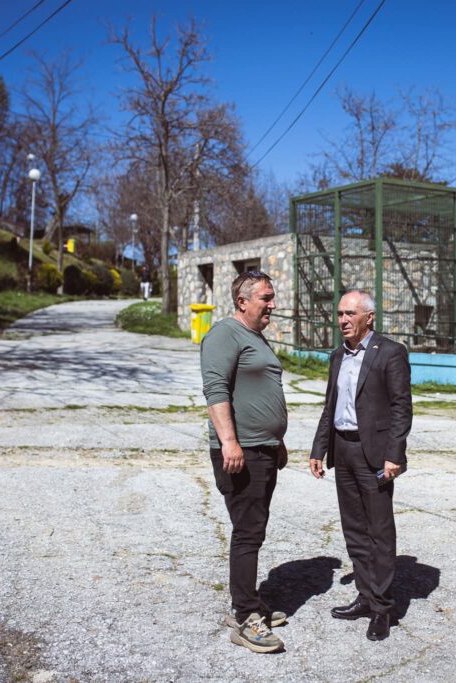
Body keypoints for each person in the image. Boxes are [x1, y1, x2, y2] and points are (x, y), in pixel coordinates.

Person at [309, 290, 413, 641]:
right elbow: (330, 406)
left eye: (350, 313)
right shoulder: (338, 355)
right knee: (354, 529)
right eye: (340, 313)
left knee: (379, 531)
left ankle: (383, 608)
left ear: (369, 317)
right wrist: (319, 449)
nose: (343, 320)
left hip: (376, 455)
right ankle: (366, 596)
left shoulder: (391, 352)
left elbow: (401, 408)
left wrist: (394, 454)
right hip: (343, 449)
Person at [200, 270, 289, 653]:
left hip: (262, 448)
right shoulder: (225, 334)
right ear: (242, 301)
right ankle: (245, 616)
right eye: (266, 298)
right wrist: (230, 442)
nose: (272, 304)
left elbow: (259, 392)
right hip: (242, 452)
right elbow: (215, 390)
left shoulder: (255, 337)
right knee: (248, 531)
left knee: (254, 527)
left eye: (272, 297)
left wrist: (277, 441)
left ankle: (248, 601)